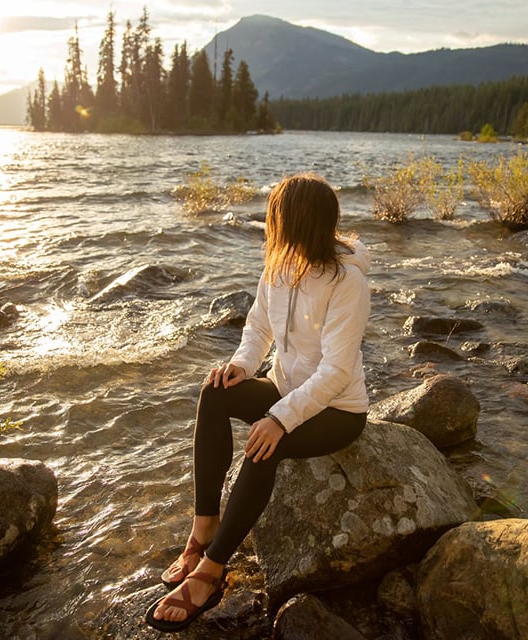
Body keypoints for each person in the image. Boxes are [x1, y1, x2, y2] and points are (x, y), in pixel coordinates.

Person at [145, 172, 371, 632]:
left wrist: (279, 419)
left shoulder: (348, 282)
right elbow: (258, 330)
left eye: (277, 218)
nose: (271, 226)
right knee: (214, 392)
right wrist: (242, 367)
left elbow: (336, 371)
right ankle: (203, 526)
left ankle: (212, 569)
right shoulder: (280, 267)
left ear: (296, 222)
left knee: (265, 443)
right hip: (285, 387)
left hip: (339, 410)